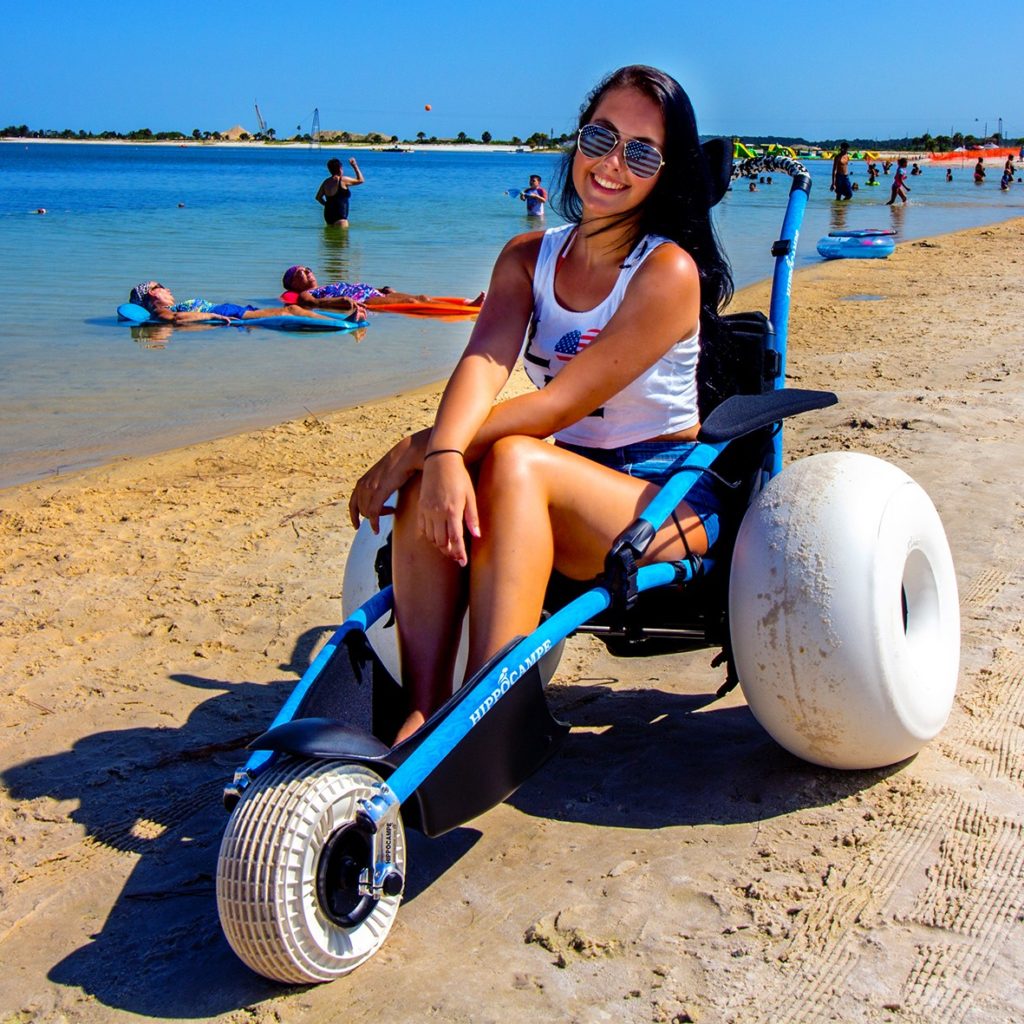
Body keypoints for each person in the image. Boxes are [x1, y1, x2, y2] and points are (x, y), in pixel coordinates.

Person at [348, 64, 733, 743]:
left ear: (665, 172)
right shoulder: (528, 258)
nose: (613, 163)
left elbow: (558, 404)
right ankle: (425, 706)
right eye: (601, 137)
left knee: (500, 455)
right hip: (569, 483)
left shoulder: (667, 271)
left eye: (641, 152)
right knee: (447, 467)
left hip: (664, 498)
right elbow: (485, 361)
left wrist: (424, 444)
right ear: (577, 140)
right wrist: (438, 453)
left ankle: (491, 714)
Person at [281, 267, 485, 314]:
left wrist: (381, 289)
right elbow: (311, 304)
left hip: (373, 293)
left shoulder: (327, 285)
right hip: (366, 302)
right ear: (293, 284)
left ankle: (469, 306)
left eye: (307, 268)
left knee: (421, 297)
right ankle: (467, 310)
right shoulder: (304, 294)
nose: (307, 271)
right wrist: (337, 301)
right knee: (413, 303)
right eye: (300, 272)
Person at [128, 282, 338, 324]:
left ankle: (338, 319)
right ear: (153, 294)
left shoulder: (163, 308)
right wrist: (212, 316)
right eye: (162, 286)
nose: (169, 289)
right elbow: (177, 319)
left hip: (228, 309)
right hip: (225, 311)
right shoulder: (159, 310)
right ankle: (347, 322)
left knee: (291, 310)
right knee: (291, 309)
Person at [315, 157, 364, 227]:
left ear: (329, 170)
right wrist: (355, 166)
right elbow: (361, 180)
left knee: (330, 237)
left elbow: (318, 197)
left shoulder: (326, 182)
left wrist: (327, 205)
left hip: (328, 216)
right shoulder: (343, 180)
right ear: (340, 168)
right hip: (340, 217)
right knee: (342, 237)